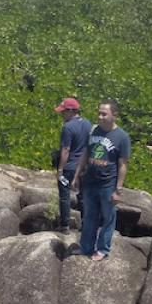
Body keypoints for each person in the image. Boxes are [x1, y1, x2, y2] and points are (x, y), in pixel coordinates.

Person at [72, 100, 131, 260]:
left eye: (104, 114)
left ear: (114, 115)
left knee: (108, 218)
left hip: (108, 184)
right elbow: (85, 153)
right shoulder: (93, 131)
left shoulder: (122, 137)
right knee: (89, 216)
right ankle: (86, 247)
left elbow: (123, 164)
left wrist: (118, 189)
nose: (100, 117)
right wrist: (77, 176)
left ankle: (103, 249)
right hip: (90, 181)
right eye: (99, 113)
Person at [54, 97, 92, 233]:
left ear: (71, 111)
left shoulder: (68, 127)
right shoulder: (88, 124)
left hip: (70, 167)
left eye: (63, 112)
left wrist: (60, 169)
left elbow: (66, 150)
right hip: (85, 167)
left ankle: (65, 226)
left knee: (64, 196)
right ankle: (85, 225)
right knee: (83, 196)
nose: (62, 115)